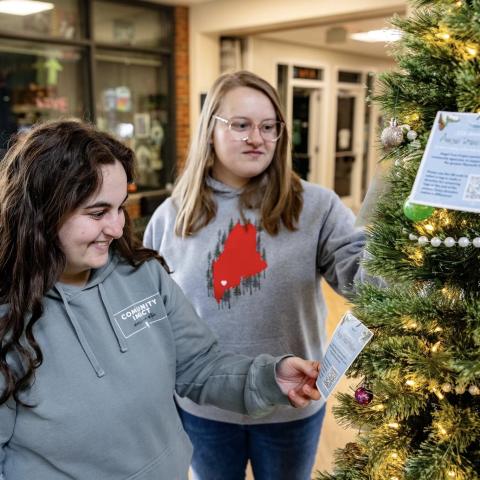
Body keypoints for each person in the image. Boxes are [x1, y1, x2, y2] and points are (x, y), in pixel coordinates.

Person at [0, 119, 322, 480]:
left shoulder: (143, 274)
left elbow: (199, 366)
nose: (118, 227)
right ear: (40, 211)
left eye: (120, 207)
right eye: (97, 212)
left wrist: (269, 378)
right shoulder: (8, 317)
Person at [143, 70, 365, 480]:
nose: (256, 138)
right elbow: (155, 315)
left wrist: (396, 245)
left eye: (268, 127)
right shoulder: (172, 216)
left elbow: (361, 281)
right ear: (211, 131)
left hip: (291, 404)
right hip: (204, 410)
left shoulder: (316, 207)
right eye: (240, 125)